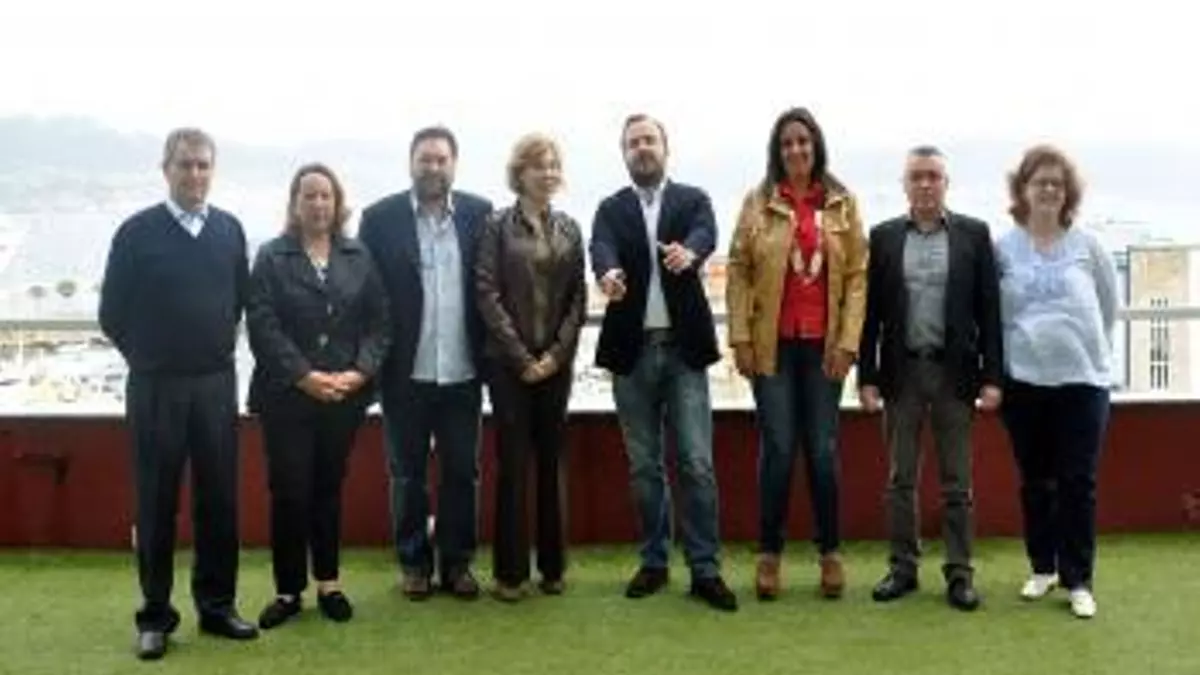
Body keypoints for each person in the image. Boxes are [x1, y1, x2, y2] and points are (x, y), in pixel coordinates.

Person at [98, 127, 258, 660]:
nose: (194, 174)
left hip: (215, 386)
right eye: (185, 164)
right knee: (156, 503)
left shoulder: (230, 230)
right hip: (155, 388)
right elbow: (112, 314)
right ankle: (155, 617)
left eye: (203, 165)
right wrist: (151, 359)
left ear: (213, 171)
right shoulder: (136, 233)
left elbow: (239, 302)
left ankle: (217, 607)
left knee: (219, 502)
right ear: (165, 169)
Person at [588, 113, 737, 612]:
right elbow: (601, 246)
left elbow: (706, 232)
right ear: (624, 153)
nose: (642, 148)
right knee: (644, 467)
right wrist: (607, 272)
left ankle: (705, 568)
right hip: (631, 353)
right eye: (633, 143)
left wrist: (690, 253)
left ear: (665, 148)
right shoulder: (611, 208)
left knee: (696, 462)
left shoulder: (692, 199)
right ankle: (654, 561)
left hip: (683, 351)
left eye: (649, 140)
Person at [725, 107, 868, 600]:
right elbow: (739, 269)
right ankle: (769, 554)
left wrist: (849, 343)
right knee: (779, 450)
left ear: (816, 145)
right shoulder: (759, 201)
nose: (796, 150)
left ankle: (830, 553)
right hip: (773, 348)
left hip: (825, 348)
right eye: (787, 143)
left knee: (823, 452)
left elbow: (858, 277)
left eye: (803, 141)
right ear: (777, 151)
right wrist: (741, 338)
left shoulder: (842, 203)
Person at [857, 145, 1003, 612]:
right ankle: (903, 569)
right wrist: (867, 377)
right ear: (904, 185)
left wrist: (993, 377)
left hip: (954, 374)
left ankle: (960, 573)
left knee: (957, 482)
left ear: (946, 183)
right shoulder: (883, 238)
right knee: (900, 479)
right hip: (901, 373)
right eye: (916, 176)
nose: (925, 184)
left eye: (933, 176)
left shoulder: (974, 235)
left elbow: (990, 312)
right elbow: (870, 315)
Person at [246, 163, 391, 628]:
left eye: (325, 195)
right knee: (289, 491)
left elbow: (380, 322)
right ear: (295, 203)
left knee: (328, 488)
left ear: (337, 202)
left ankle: (329, 582)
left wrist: (360, 372)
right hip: (287, 396)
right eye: (308, 195)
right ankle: (289, 591)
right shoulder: (272, 256)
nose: (318, 204)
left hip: (342, 397)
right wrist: (304, 376)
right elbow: (263, 325)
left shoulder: (358, 255)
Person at [358, 126, 493, 600]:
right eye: (424, 159)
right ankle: (414, 565)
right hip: (404, 373)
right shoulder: (379, 219)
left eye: (441, 159)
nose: (433, 167)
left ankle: (457, 565)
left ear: (453, 164)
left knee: (462, 473)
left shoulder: (480, 214)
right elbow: (366, 296)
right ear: (411, 163)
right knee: (407, 475)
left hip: (462, 371)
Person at [995, 145, 1117, 619]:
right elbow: (995, 315)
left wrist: (1086, 353)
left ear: (1068, 193)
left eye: (1057, 183)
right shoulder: (1003, 249)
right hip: (1024, 383)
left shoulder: (1089, 247)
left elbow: (1107, 308)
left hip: (1083, 382)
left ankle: (1078, 579)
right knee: (1035, 481)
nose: (1049, 189)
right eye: (1040, 181)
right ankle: (1043, 567)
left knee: (1078, 482)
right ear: (1022, 190)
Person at [475, 133, 587, 601]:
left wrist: (555, 356)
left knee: (551, 462)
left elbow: (578, 298)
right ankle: (510, 574)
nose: (548, 172)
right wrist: (522, 358)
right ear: (519, 173)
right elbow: (486, 292)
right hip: (508, 367)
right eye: (539, 165)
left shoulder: (570, 229)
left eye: (554, 164)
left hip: (555, 366)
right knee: (513, 465)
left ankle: (554, 568)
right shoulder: (496, 226)